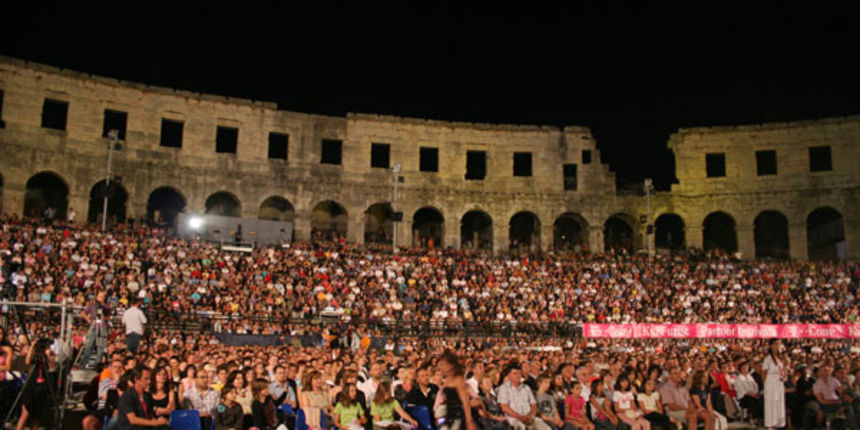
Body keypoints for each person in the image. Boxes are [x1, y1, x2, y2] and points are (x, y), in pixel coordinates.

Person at [16, 339, 57, 430]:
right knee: (25, 413)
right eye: (47, 347)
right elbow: (27, 361)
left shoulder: (47, 357)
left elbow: (52, 367)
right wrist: (32, 347)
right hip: (32, 386)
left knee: (37, 416)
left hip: (42, 387)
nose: (48, 348)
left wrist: (50, 355)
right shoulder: (36, 356)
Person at [497, 363, 551, 430]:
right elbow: (504, 407)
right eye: (515, 373)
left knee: (544, 426)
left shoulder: (526, 388)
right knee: (520, 426)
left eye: (519, 373)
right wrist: (520, 417)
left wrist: (530, 416)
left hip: (530, 418)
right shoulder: (504, 388)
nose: (518, 375)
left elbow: (533, 404)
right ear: (509, 375)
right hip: (514, 419)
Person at [435, 351, 476, 430]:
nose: (441, 367)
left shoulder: (458, 380)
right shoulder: (447, 379)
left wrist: (469, 421)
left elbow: (465, 402)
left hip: (457, 416)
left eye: (443, 364)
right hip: (448, 414)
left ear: (451, 365)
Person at [762, 340, 786, 429]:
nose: (778, 345)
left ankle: (778, 422)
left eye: (779, 343)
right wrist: (765, 385)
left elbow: (782, 370)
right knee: (771, 401)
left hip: (778, 381)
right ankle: (770, 423)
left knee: (778, 401)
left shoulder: (779, 358)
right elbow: (764, 372)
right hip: (771, 381)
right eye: (776, 343)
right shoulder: (768, 358)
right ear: (771, 346)